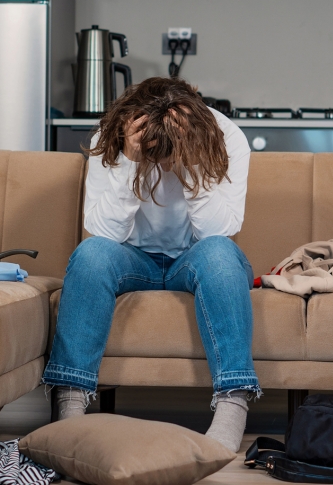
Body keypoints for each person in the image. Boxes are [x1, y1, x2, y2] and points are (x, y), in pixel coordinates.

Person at [42, 76, 258, 452]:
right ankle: (70, 403)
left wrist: (190, 166)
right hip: (132, 258)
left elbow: (221, 230)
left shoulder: (228, 136)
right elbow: (102, 231)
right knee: (90, 254)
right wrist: (129, 162)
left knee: (222, 254)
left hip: (194, 256)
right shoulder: (108, 138)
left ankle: (232, 403)